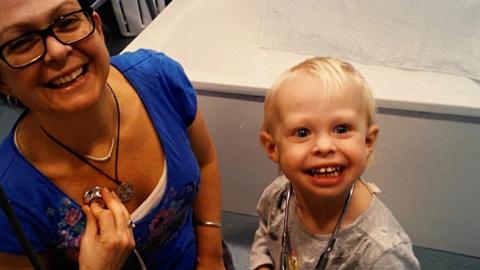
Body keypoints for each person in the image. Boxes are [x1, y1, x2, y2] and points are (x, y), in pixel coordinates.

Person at [0, 0, 226, 269]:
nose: (58, 51)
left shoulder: (160, 78)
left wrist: (212, 258)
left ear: (97, 28)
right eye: (21, 42)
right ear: (3, 82)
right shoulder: (10, 195)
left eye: (66, 21)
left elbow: (205, 162)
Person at [250, 57, 420, 269]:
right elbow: (266, 235)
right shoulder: (278, 195)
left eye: (341, 129)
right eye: (302, 132)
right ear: (272, 148)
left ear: (368, 141)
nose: (324, 146)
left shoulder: (382, 253)